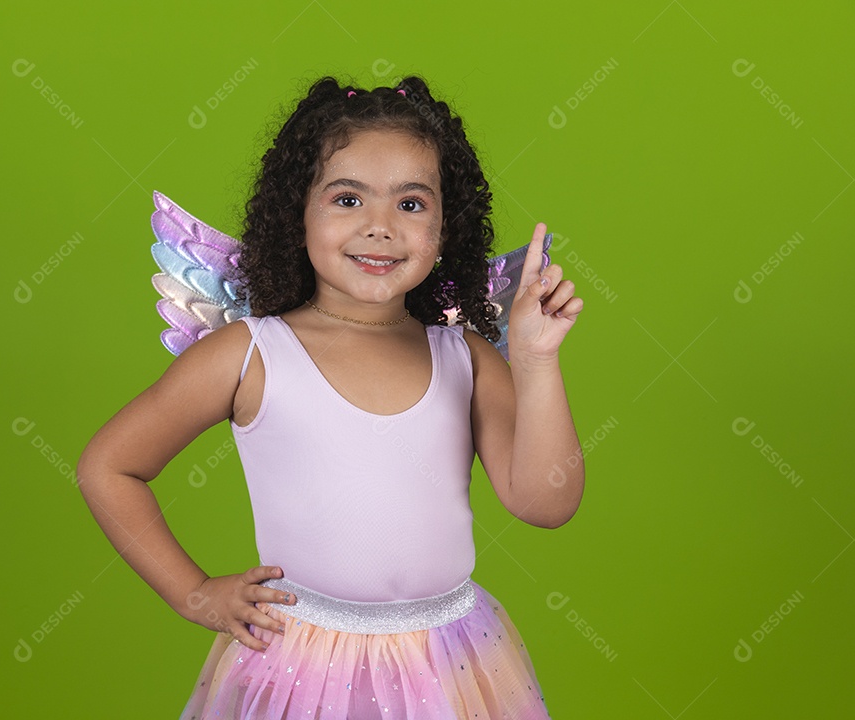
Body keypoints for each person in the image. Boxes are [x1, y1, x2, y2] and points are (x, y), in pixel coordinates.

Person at [77, 75, 585, 719]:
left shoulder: (467, 356)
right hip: (300, 664)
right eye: (348, 198)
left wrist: (537, 360)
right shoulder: (250, 354)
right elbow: (109, 466)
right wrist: (195, 593)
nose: (380, 228)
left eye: (411, 204)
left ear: (446, 226)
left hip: (451, 662)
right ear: (297, 215)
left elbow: (546, 503)